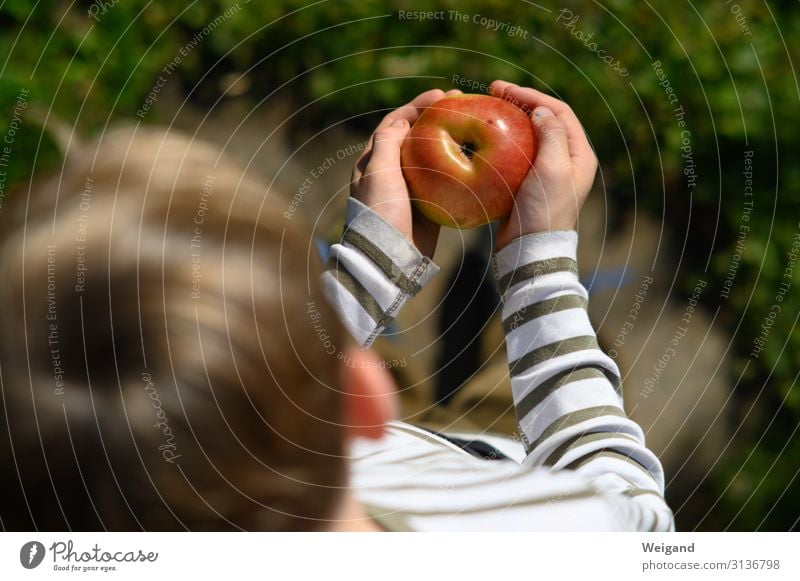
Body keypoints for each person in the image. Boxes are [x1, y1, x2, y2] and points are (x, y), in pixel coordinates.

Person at [0, 80, 673, 531]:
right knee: (530, 370)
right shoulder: (539, 536)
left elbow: (267, 404)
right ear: (361, 398)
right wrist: (538, 267)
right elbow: (630, 501)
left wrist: (372, 270)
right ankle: (493, 328)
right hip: (495, 460)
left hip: (370, 444)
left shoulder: (135, 506)